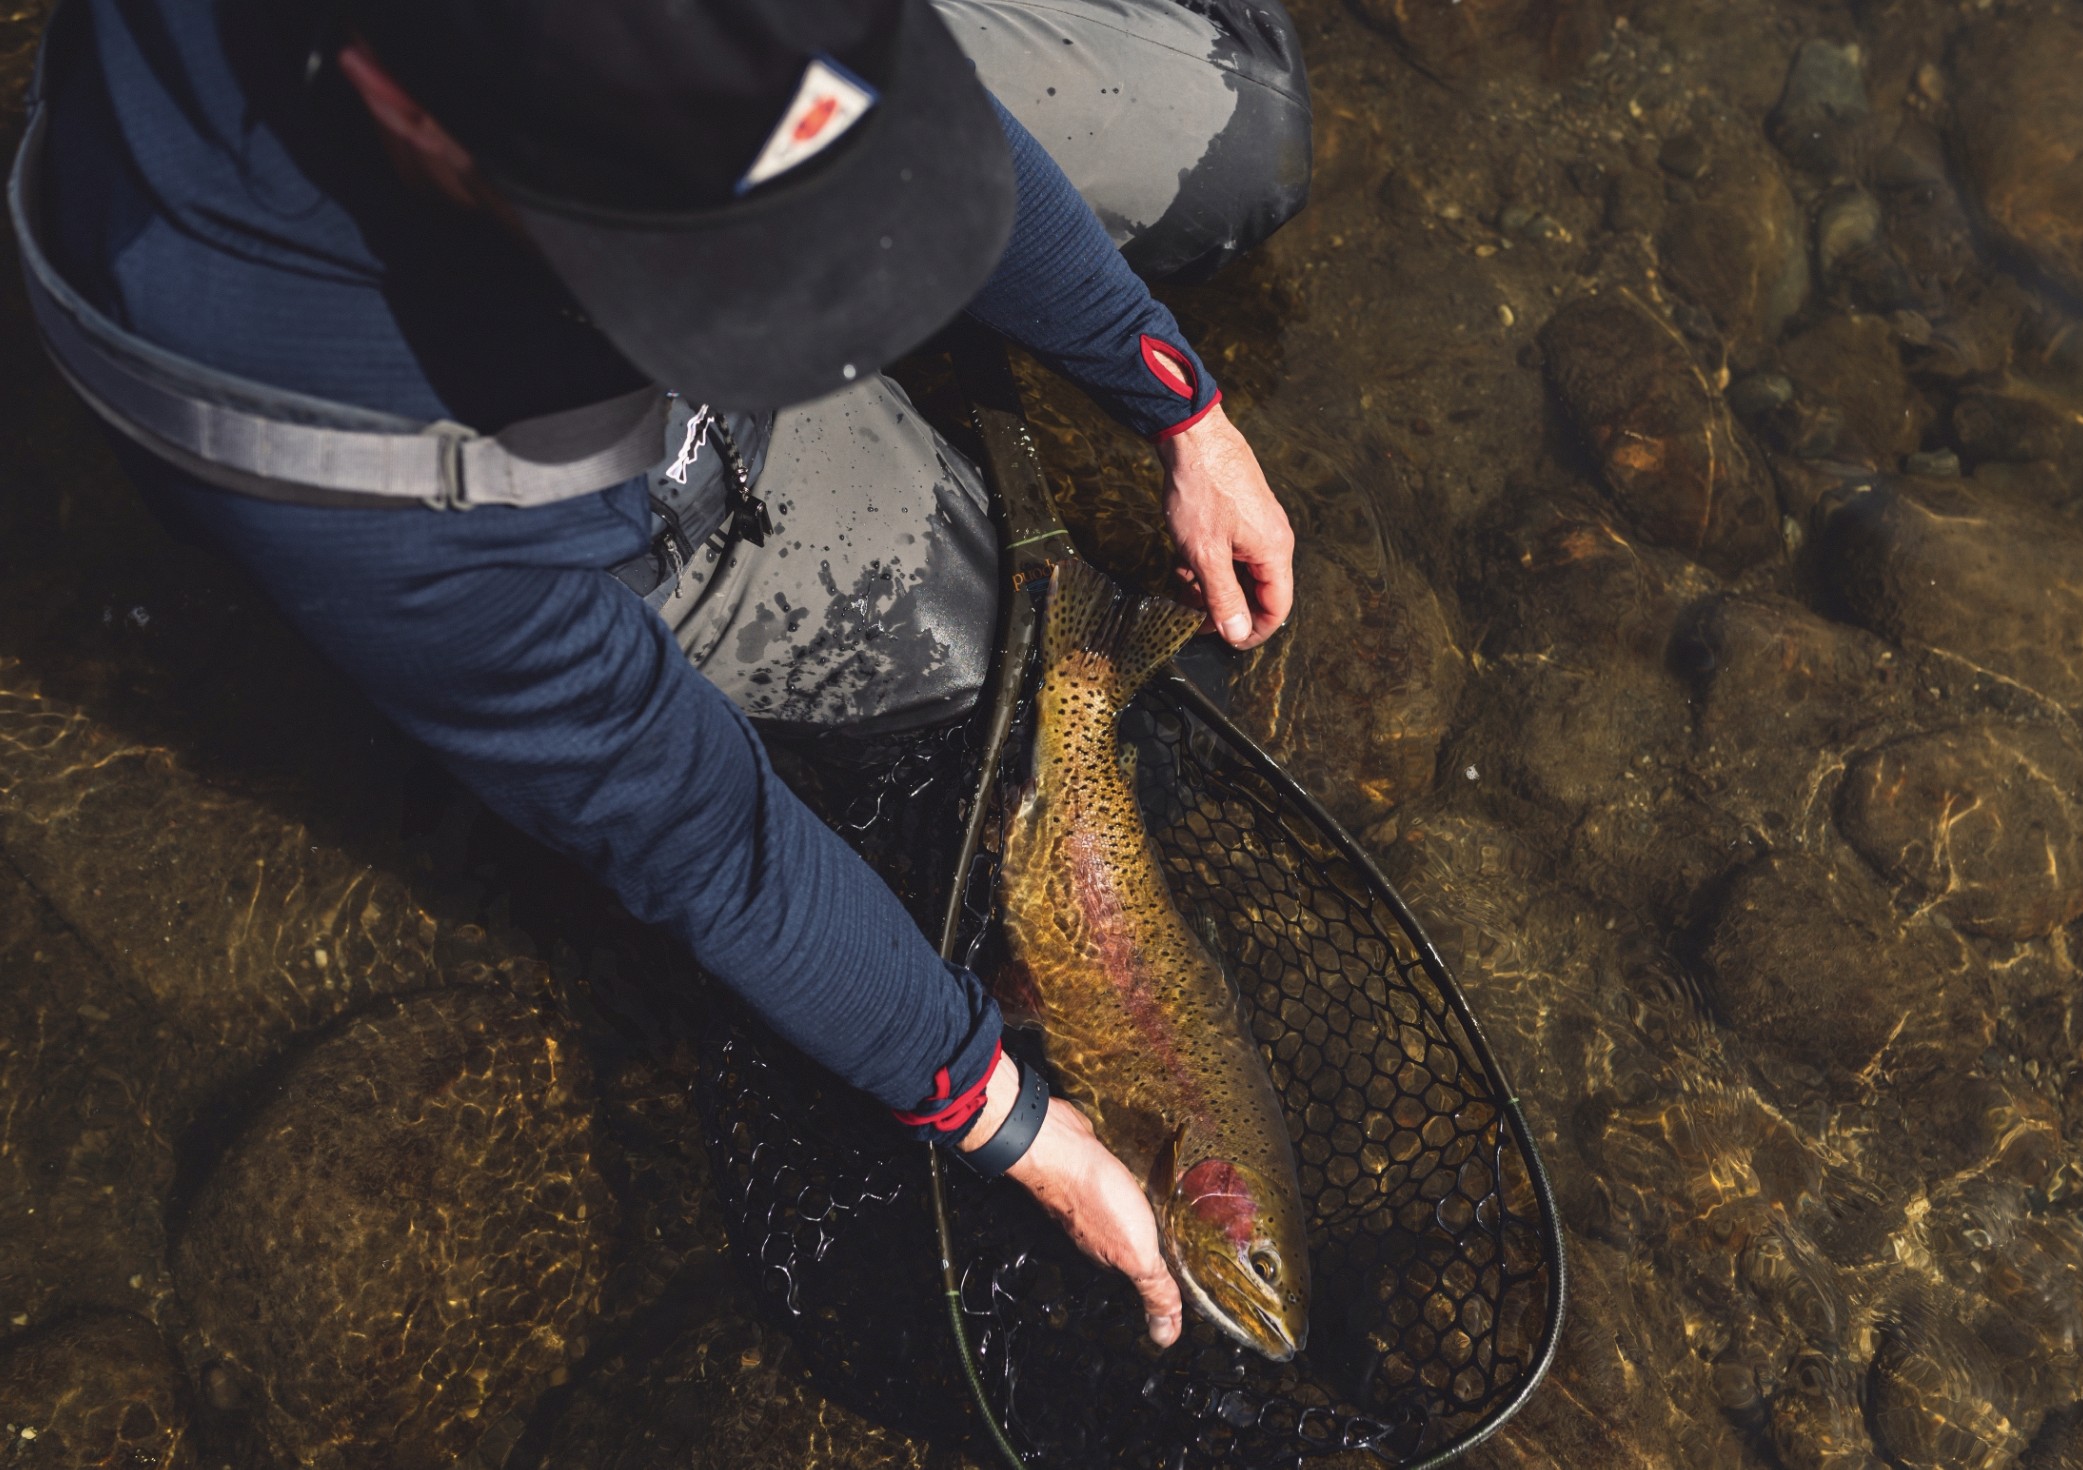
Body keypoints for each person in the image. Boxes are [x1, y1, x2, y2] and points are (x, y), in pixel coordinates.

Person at [9, 0, 1308, 1349]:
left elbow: (898, 111)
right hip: (467, 412)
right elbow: (715, 851)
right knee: (967, 662)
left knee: (1241, 138)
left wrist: (1178, 405)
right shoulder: (372, 496)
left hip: (582, 173)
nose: (848, 320)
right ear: (415, 115)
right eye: (739, 272)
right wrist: (1030, 1134)